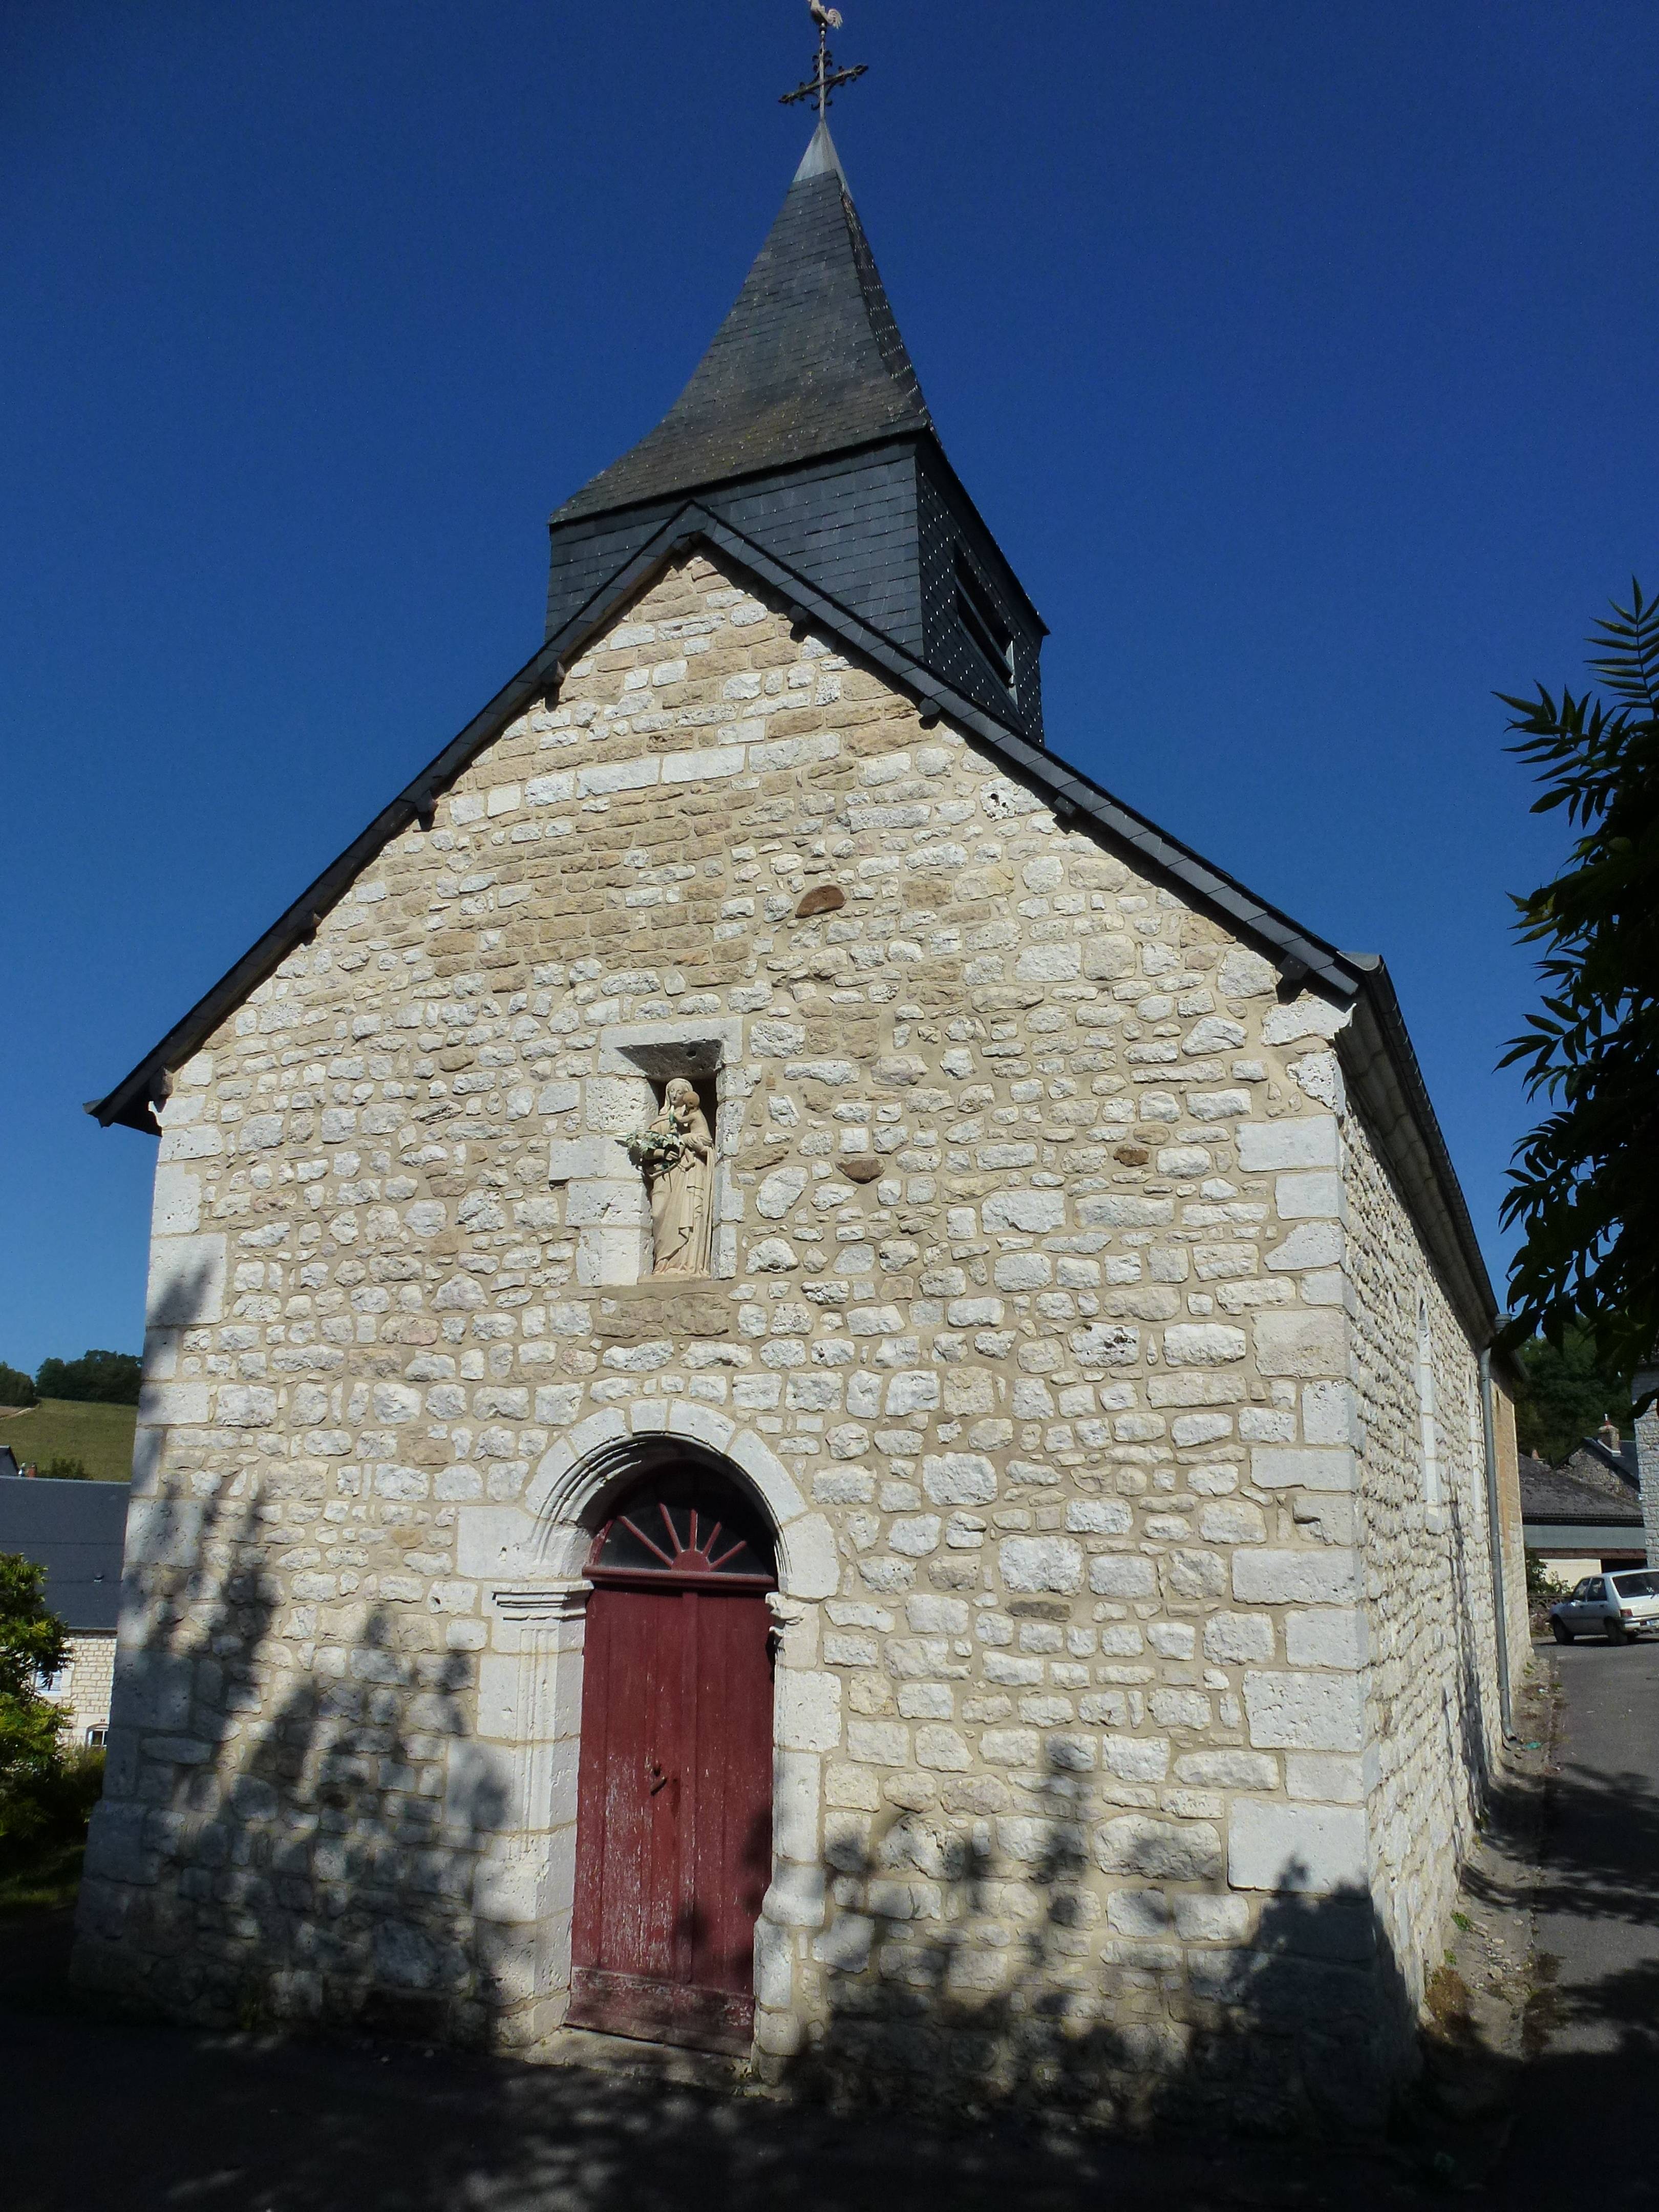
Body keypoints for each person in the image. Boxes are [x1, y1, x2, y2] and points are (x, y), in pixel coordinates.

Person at [642, 1077, 713, 1277]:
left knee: (689, 1214)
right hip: (664, 1174)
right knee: (658, 1214)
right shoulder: (661, 1120)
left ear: (688, 1097)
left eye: (680, 1092)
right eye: (672, 1091)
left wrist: (692, 1143)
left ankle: (686, 1263)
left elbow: (707, 1149)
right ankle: (662, 1263)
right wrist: (663, 1154)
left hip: (689, 1171)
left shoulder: (694, 1117)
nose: (675, 1095)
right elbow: (647, 1149)